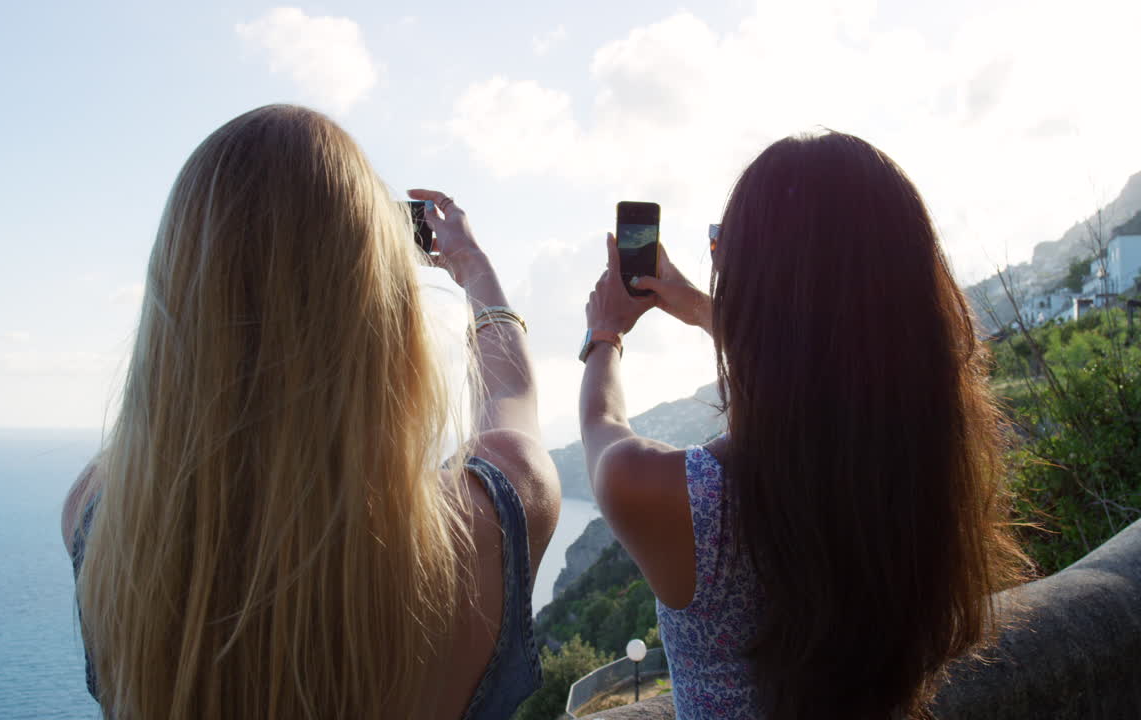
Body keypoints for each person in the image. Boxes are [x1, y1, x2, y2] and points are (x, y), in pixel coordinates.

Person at [60, 105, 559, 720]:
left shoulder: (97, 517)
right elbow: (509, 401)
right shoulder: (486, 526)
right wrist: (475, 270)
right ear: (387, 316)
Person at [578, 131, 1029, 720]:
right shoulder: (924, 462)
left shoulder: (691, 501)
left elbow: (600, 423)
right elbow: (831, 352)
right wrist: (699, 303)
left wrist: (605, 333)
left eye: (722, 248)